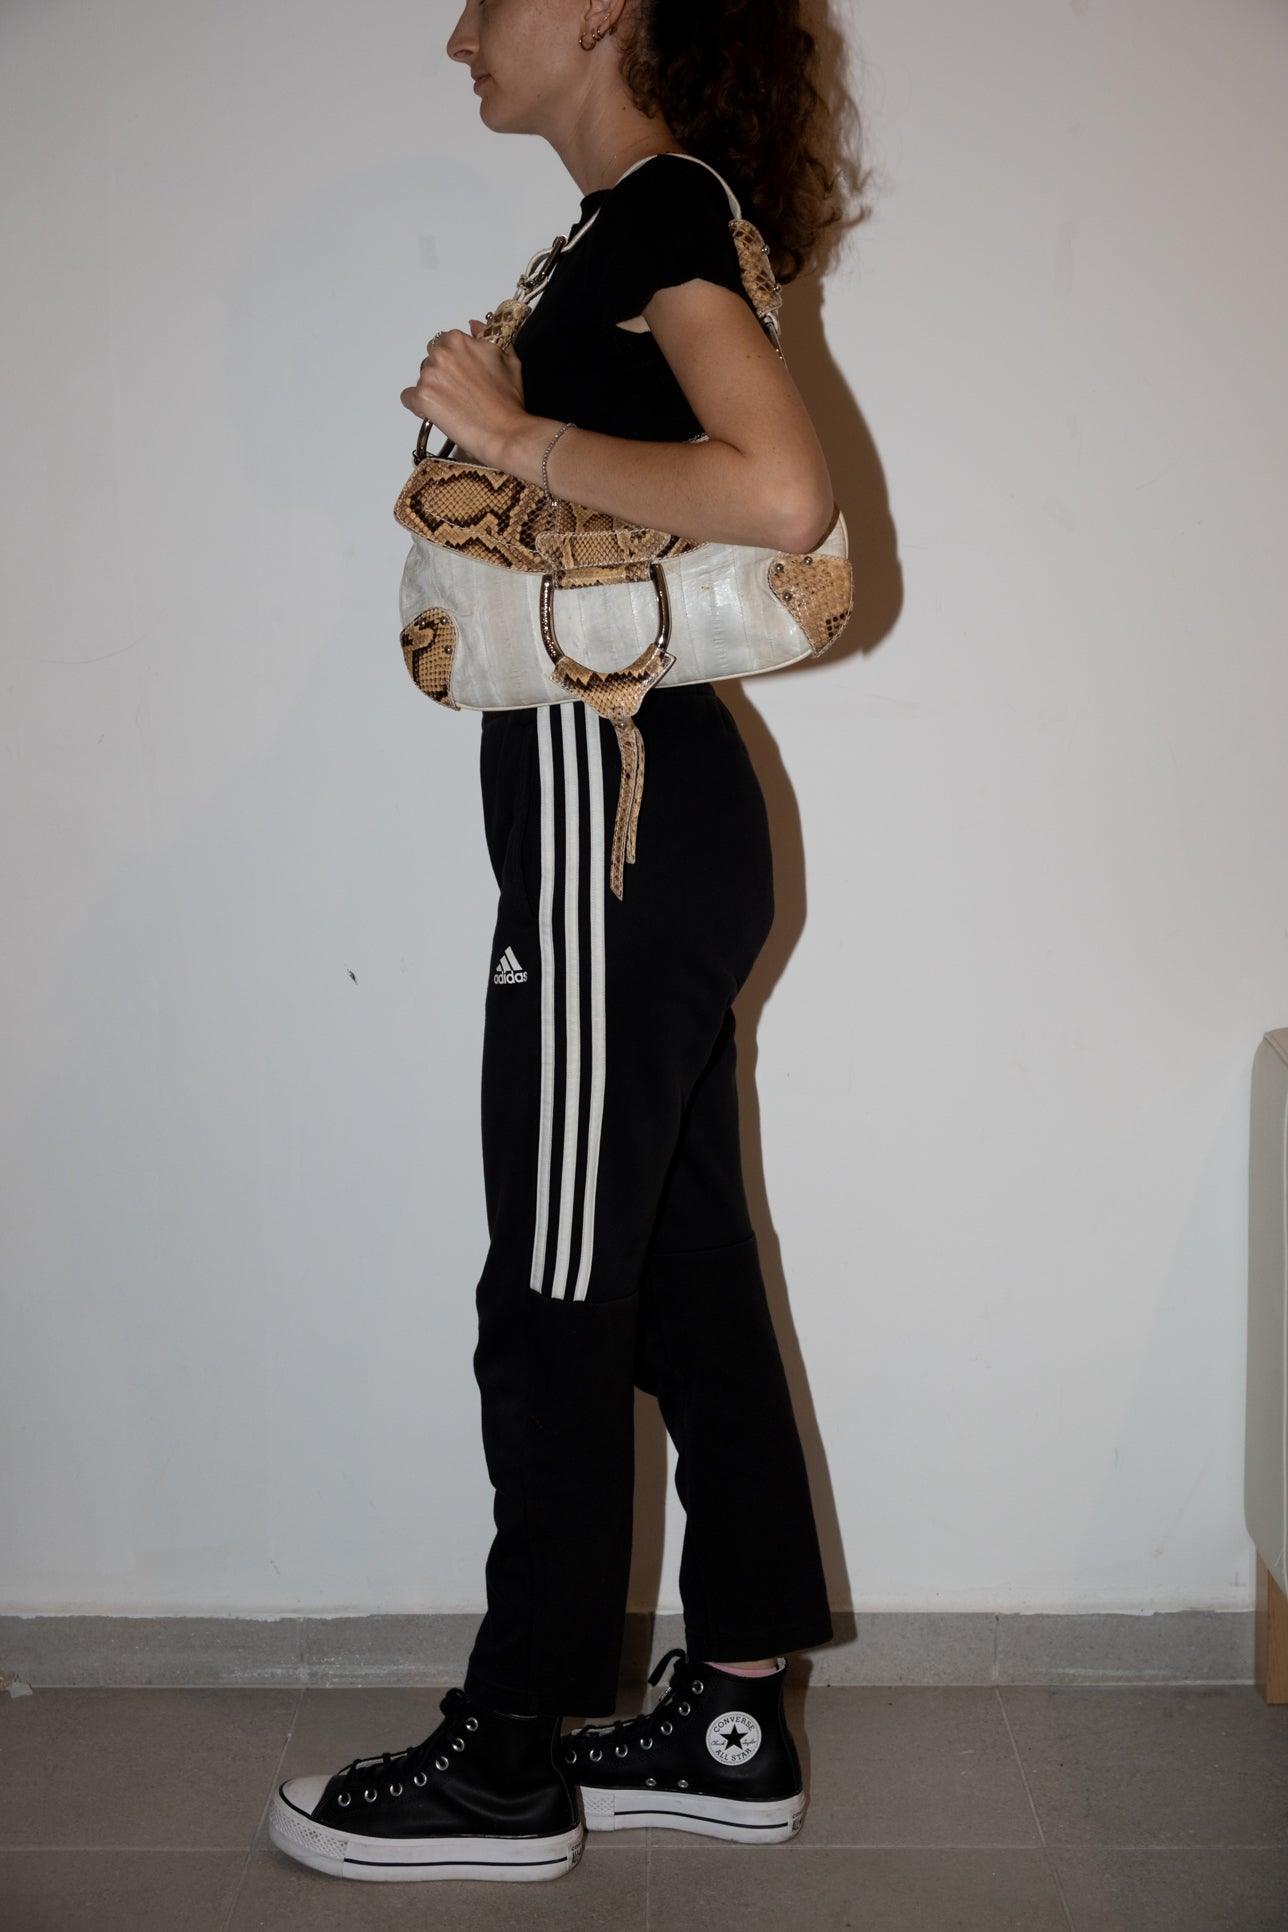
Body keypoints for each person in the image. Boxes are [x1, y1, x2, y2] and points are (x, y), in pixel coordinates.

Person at [269, 0, 853, 1887]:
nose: (459, 29)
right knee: (676, 1267)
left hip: (621, 821)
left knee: (553, 1287)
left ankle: (511, 1754)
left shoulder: (662, 212)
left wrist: (515, 427)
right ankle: (732, 1713)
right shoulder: (624, 228)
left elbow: (781, 491)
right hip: (644, 824)